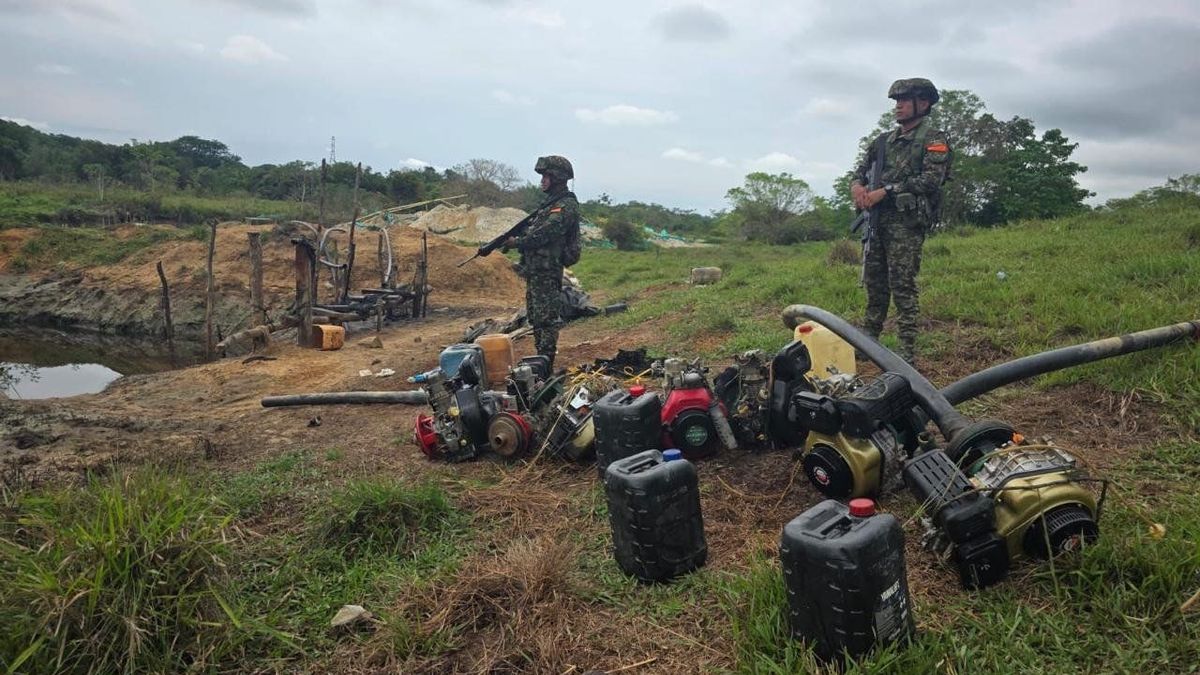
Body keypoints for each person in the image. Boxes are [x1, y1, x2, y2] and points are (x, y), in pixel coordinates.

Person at [849, 77, 950, 364]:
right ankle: (869, 343)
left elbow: (932, 180)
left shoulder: (933, 140)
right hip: (876, 222)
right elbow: (859, 170)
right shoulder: (882, 142)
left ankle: (907, 352)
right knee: (875, 284)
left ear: (924, 103)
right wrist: (857, 187)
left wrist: (887, 191)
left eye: (905, 100)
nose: (899, 106)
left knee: (903, 286)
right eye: (896, 101)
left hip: (906, 224)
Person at [505, 155, 579, 371]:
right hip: (536, 271)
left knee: (546, 319)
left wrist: (518, 242)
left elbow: (545, 234)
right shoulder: (549, 205)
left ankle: (545, 365)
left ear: (557, 178)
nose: (543, 181)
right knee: (537, 318)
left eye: (547, 176)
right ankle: (542, 360)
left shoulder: (565, 205)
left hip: (547, 271)